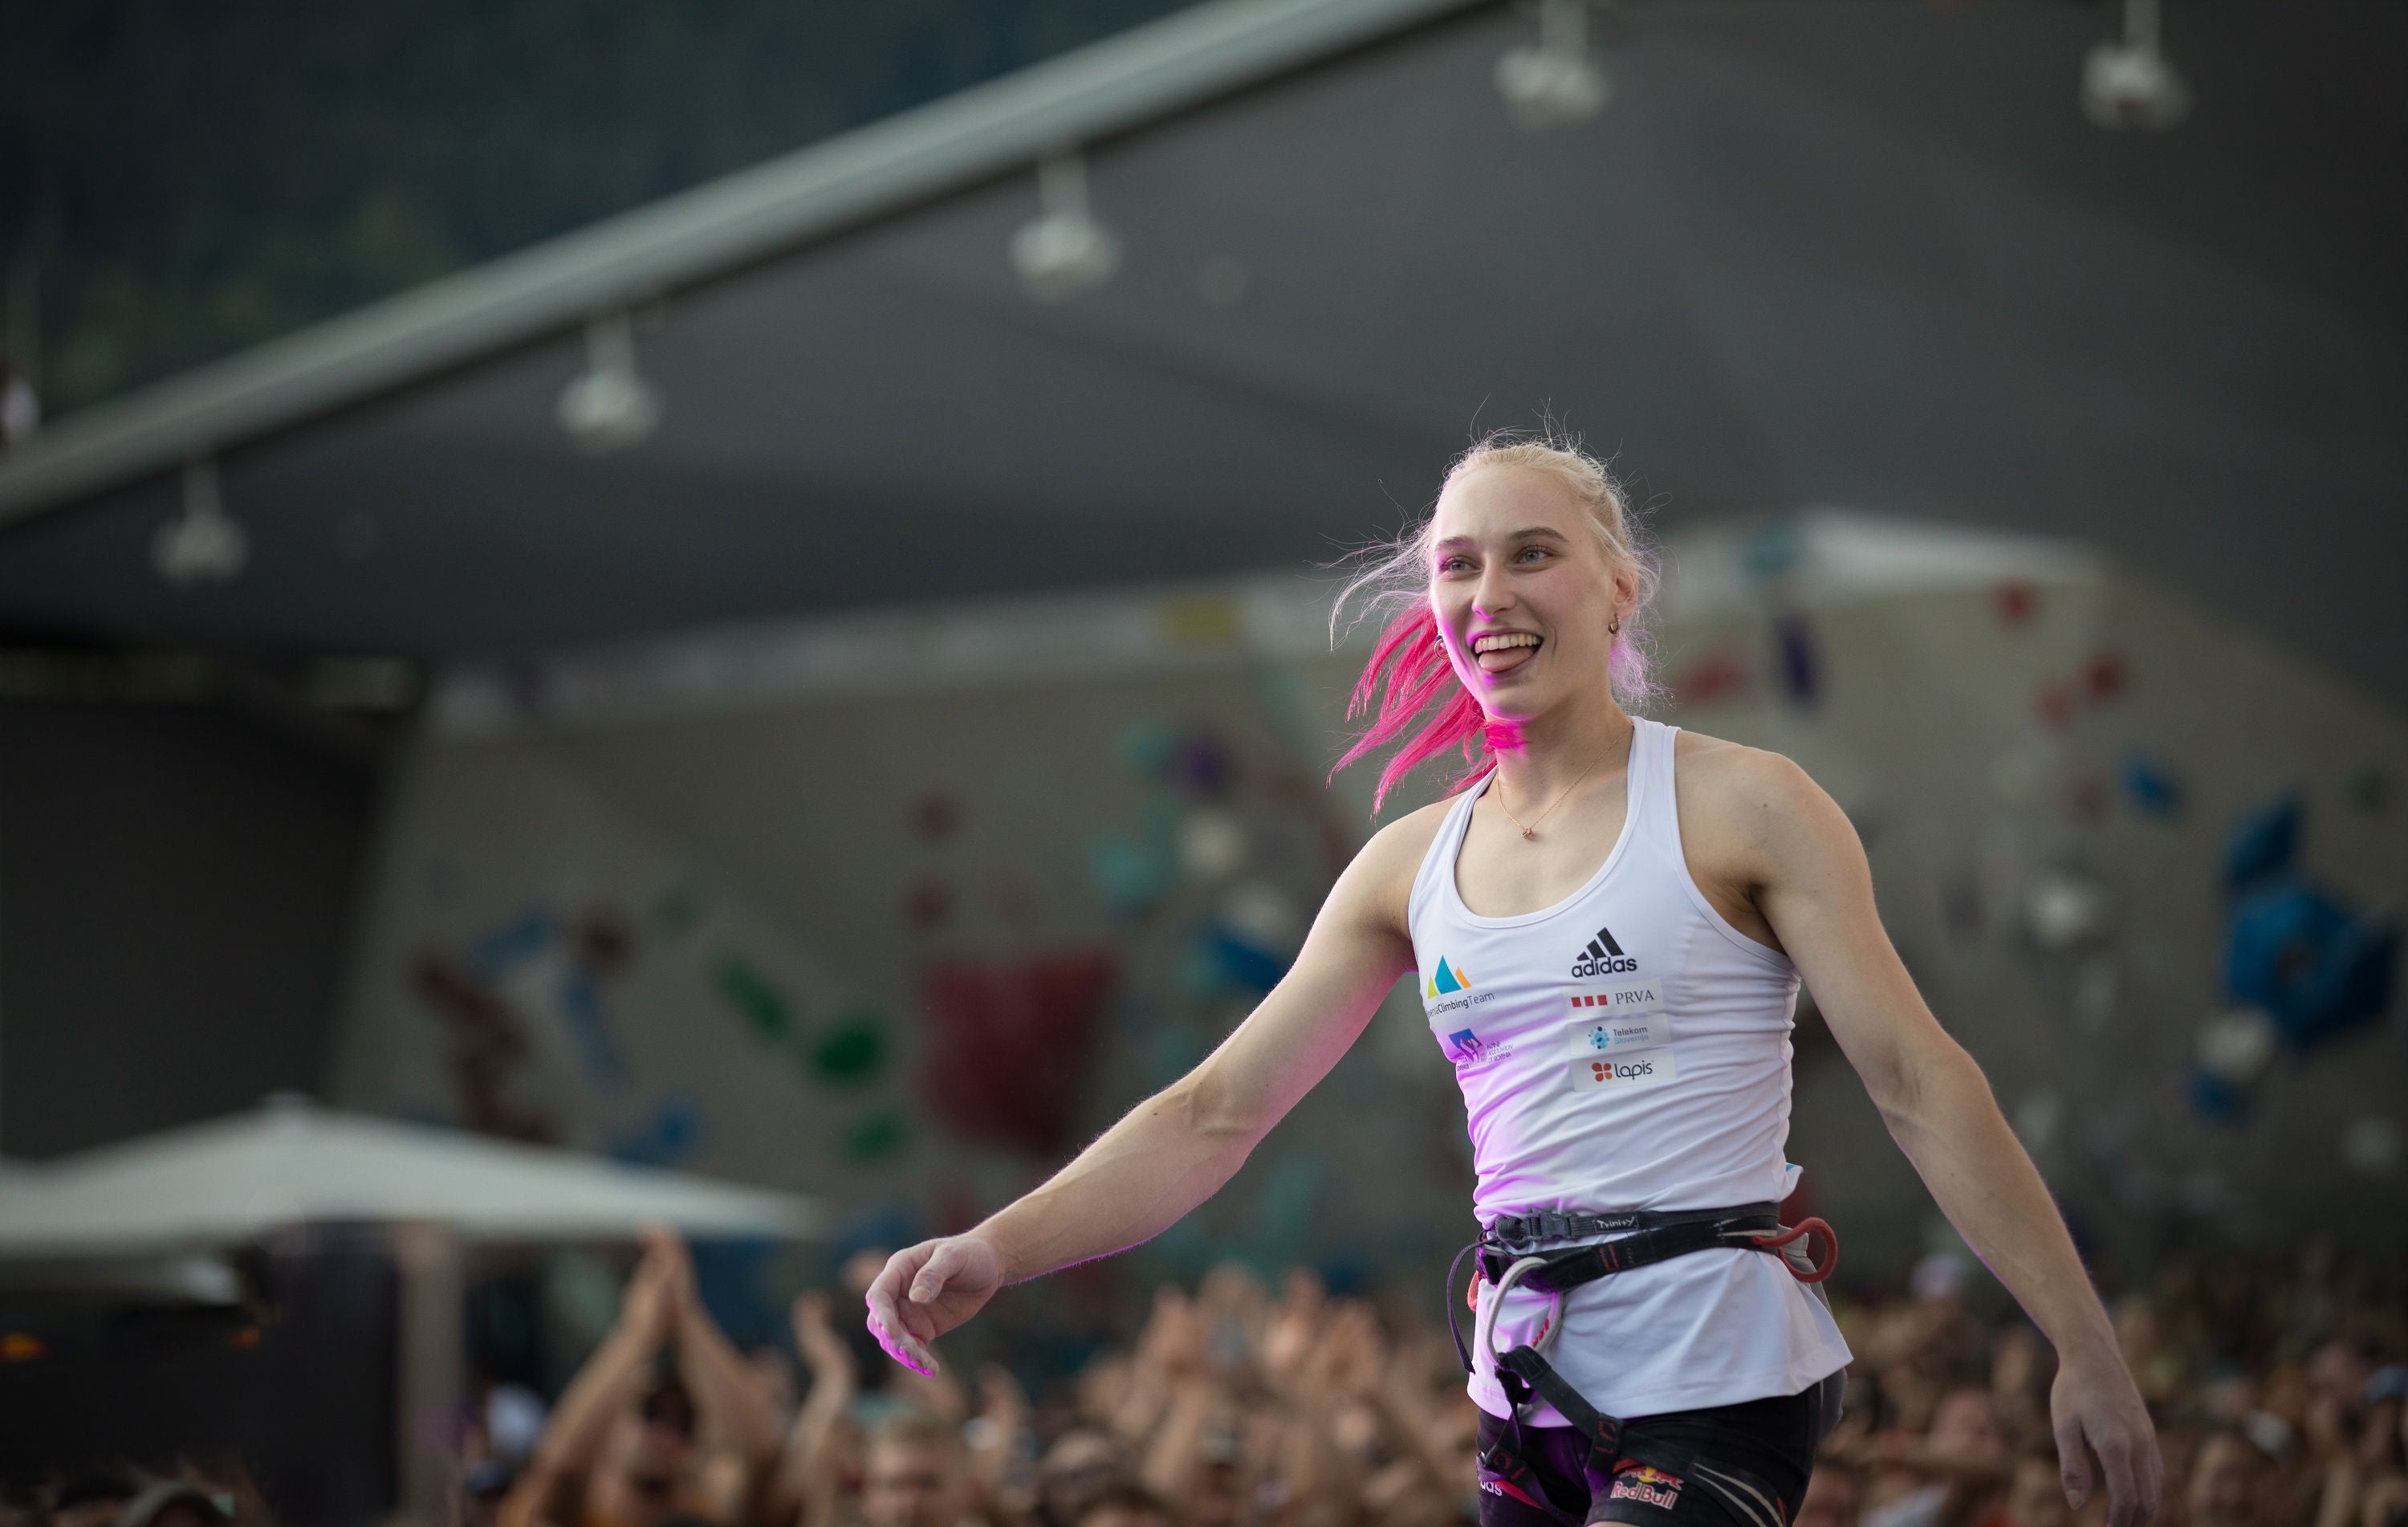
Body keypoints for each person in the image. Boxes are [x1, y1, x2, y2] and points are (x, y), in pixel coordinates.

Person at [867, 435, 2162, 1527]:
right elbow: (1215, 1114)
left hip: (1717, 1368)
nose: (1491, 592)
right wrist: (997, 1248)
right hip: (1522, 1394)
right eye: (1458, 564)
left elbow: (1919, 1082)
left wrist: (2085, 1346)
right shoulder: (1404, 867)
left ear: (1620, 588)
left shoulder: (1746, 805)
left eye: (1532, 553)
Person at [502, 1228, 782, 1527]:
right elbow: (563, 1465)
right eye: (651, 1413)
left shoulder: (707, 1511)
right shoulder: (576, 1512)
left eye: (684, 1424)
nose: (666, 1435)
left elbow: (763, 1456)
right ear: (610, 1427)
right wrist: (638, 1333)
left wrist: (688, 1314)